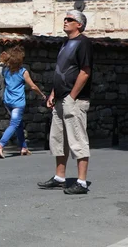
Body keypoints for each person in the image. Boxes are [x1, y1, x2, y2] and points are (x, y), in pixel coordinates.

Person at [38, 10, 93, 195]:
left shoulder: (83, 43)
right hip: (60, 99)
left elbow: (85, 72)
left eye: (70, 19)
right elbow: (61, 71)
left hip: (74, 100)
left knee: (78, 140)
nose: (66, 21)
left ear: (79, 24)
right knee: (58, 140)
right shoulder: (65, 43)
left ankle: (82, 182)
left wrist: (72, 96)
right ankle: (60, 178)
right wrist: (53, 93)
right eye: (65, 18)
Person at [0, 46, 46, 159]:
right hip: (18, 103)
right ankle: (0, 144)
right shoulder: (23, 72)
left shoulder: (5, 70)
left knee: (18, 124)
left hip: (7, 101)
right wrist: (41, 95)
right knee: (14, 124)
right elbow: (32, 86)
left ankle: (23, 147)